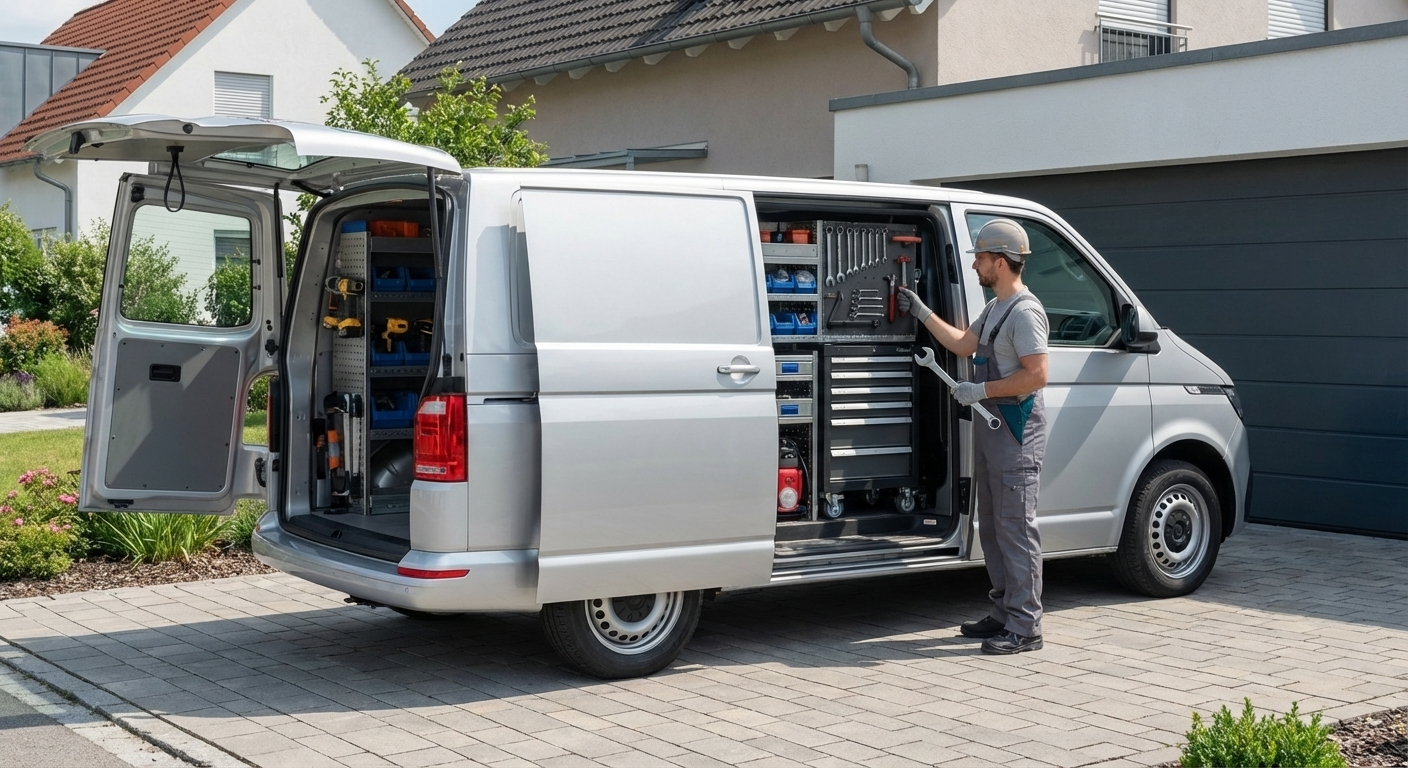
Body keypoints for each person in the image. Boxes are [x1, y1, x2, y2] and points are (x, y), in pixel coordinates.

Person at [897, 218, 1050, 655]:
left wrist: (980, 390)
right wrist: (922, 311)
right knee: (994, 527)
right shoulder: (996, 307)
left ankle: (1026, 626)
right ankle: (1004, 612)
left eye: (981, 258)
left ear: (1000, 262)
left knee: (1016, 528)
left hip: (1016, 433)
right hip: (993, 428)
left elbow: (1037, 375)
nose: (977, 265)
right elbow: (964, 345)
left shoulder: (1024, 312)